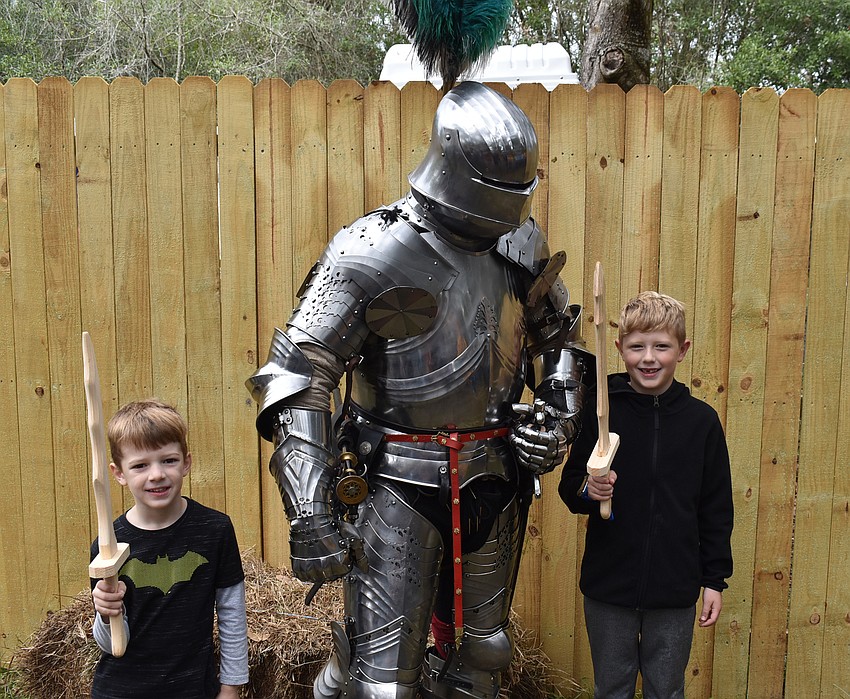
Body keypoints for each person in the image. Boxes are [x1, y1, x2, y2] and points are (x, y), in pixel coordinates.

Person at [246, 81, 592, 699]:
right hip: (391, 481)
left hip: (493, 472)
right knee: (383, 682)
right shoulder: (373, 248)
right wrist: (311, 512)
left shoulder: (521, 244)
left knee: (483, 657)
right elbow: (301, 375)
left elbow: (558, 340)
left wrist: (557, 422)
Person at [558, 291, 734, 699]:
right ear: (619, 348)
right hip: (609, 586)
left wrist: (714, 580)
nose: (649, 358)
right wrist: (591, 487)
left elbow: (716, 508)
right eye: (637, 347)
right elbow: (571, 487)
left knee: (667, 689)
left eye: (662, 346)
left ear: (682, 350)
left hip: (675, 589)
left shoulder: (701, 423)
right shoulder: (603, 412)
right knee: (612, 687)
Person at [90, 399, 249, 699]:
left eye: (168, 460)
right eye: (140, 465)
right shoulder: (108, 543)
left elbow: (232, 615)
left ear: (186, 462)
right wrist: (105, 611)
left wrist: (231, 687)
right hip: (120, 691)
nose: (156, 475)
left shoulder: (214, 530)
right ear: (118, 473)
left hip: (191, 689)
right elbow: (110, 644)